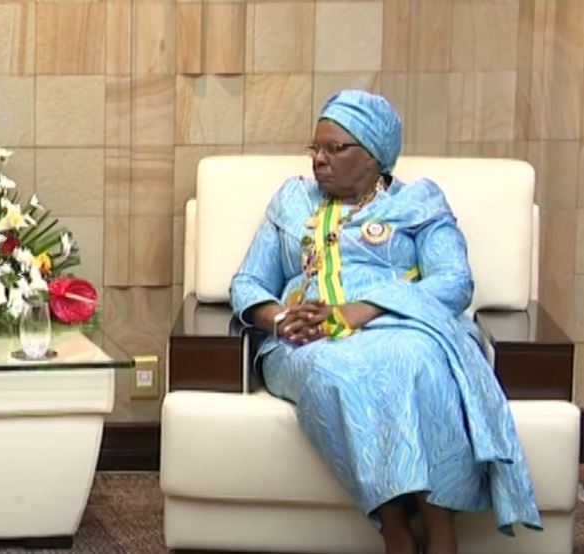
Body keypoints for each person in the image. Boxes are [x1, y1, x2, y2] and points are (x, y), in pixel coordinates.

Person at [229, 90, 540, 554]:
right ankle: (394, 528)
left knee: (417, 361)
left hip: (403, 327)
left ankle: (440, 528)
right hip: (309, 343)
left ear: (373, 156)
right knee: (340, 371)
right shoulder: (292, 202)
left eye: (335, 149)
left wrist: (364, 308)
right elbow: (248, 282)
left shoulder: (417, 202)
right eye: (316, 148)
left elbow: (454, 282)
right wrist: (279, 320)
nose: (319, 160)